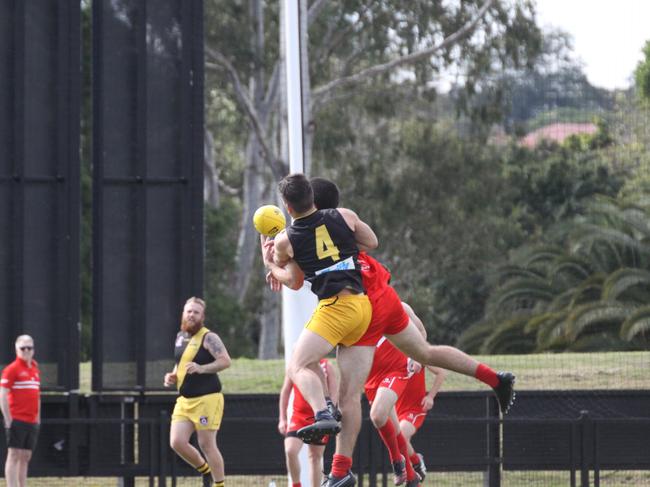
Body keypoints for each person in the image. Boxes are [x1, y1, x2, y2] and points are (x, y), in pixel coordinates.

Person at [261, 173, 379, 487]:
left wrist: (271, 264)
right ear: (311, 196)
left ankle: (321, 412)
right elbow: (371, 242)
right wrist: (342, 249)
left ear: (286, 205)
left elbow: (294, 281)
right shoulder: (344, 215)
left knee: (297, 365)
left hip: (334, 308)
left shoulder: (287, 239)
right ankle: (341, 470)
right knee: (349, 397)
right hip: (362, 308)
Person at [163, 297, 232, 487]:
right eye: (189, 311)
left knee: (206, 444)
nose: (191, 315)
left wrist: (202, 368)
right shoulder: (180, 336)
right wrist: (173, 375)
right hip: (185, 401)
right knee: (177, 442)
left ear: (202, 317)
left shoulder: (209, 337)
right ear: (183, 313)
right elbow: (181, 363)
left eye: (196, 312)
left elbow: (225, 361)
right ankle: (206, 471)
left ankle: (219, 484)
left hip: (207, 400)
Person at [279, 358, 338, 487]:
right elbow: (285, 392)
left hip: (319, 418)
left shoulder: (326, 366)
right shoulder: (296, 365)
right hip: (298, 416)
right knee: (290, 450)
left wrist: (332, 411)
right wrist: (282, 418)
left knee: (315, 457)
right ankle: (296, 484)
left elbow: (334, 392)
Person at [395, 357, 445, 484]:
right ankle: (413, 475)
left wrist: (430, 396)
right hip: (395, 409)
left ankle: (417, 461)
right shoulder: (390, 354)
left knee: (401, 434)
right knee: (402, 449)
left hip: (414, 409)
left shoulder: (415, 351)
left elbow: (441, 372)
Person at [1, 335, 41, 487]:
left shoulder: (35, 369)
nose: (26, 351)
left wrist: (38, 418)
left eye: (29, 348)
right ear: (16, 349)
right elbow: (2, 394)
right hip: (17, 419)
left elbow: (37, 395)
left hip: (31, 420)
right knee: (14, 454)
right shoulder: (11, 369)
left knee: (26, 455)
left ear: (33, 350)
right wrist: (8, 419)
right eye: (22, 348)